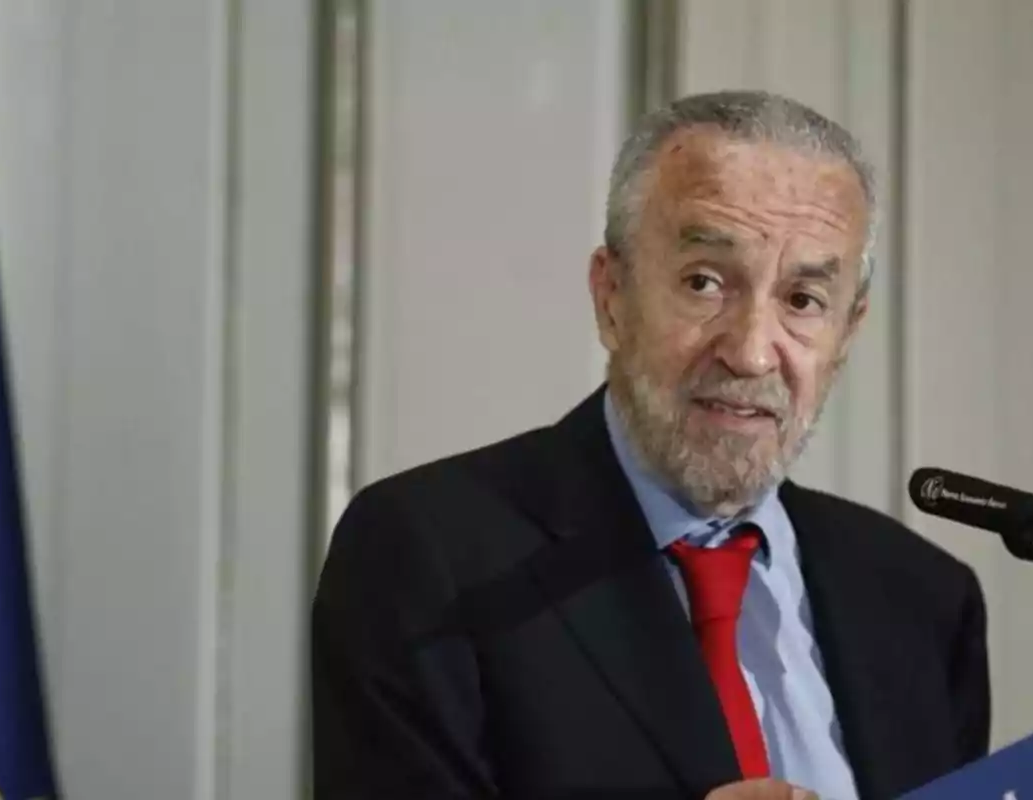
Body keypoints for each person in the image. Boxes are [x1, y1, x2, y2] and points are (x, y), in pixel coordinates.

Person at [311, 90, 990, 800]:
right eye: (705, 282)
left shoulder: (923, 600)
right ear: (611, 297)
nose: (753, 353)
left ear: (847, 334)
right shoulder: (427, 556)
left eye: (802, 301)